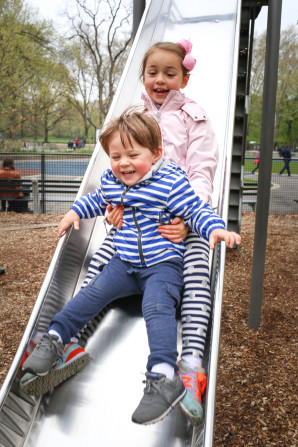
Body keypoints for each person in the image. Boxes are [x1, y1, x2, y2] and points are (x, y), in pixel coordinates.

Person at [22, 110, 241, 426]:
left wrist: (215, 229)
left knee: (157, 308)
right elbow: (98, 199)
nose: (123, 163)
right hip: (124, 263)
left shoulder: (169, 183)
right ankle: (55, 338)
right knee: (89, 293)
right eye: (116, 156)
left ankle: (164, 376)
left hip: (162, 266)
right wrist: (74, 213)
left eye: (133, 155)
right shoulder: (113, 181)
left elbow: (196, 209)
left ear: (155, 154)